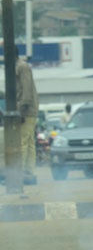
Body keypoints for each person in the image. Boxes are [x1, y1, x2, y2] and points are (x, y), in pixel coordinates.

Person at [16, 49, 39, 185]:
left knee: (22, 142)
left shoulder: (21, 67)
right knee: (29, 143)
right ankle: (30, 173)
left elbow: (27, 90)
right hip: (27, 109)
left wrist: (22, 111)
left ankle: (20, 174)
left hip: (26, 110)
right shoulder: (19, 66)